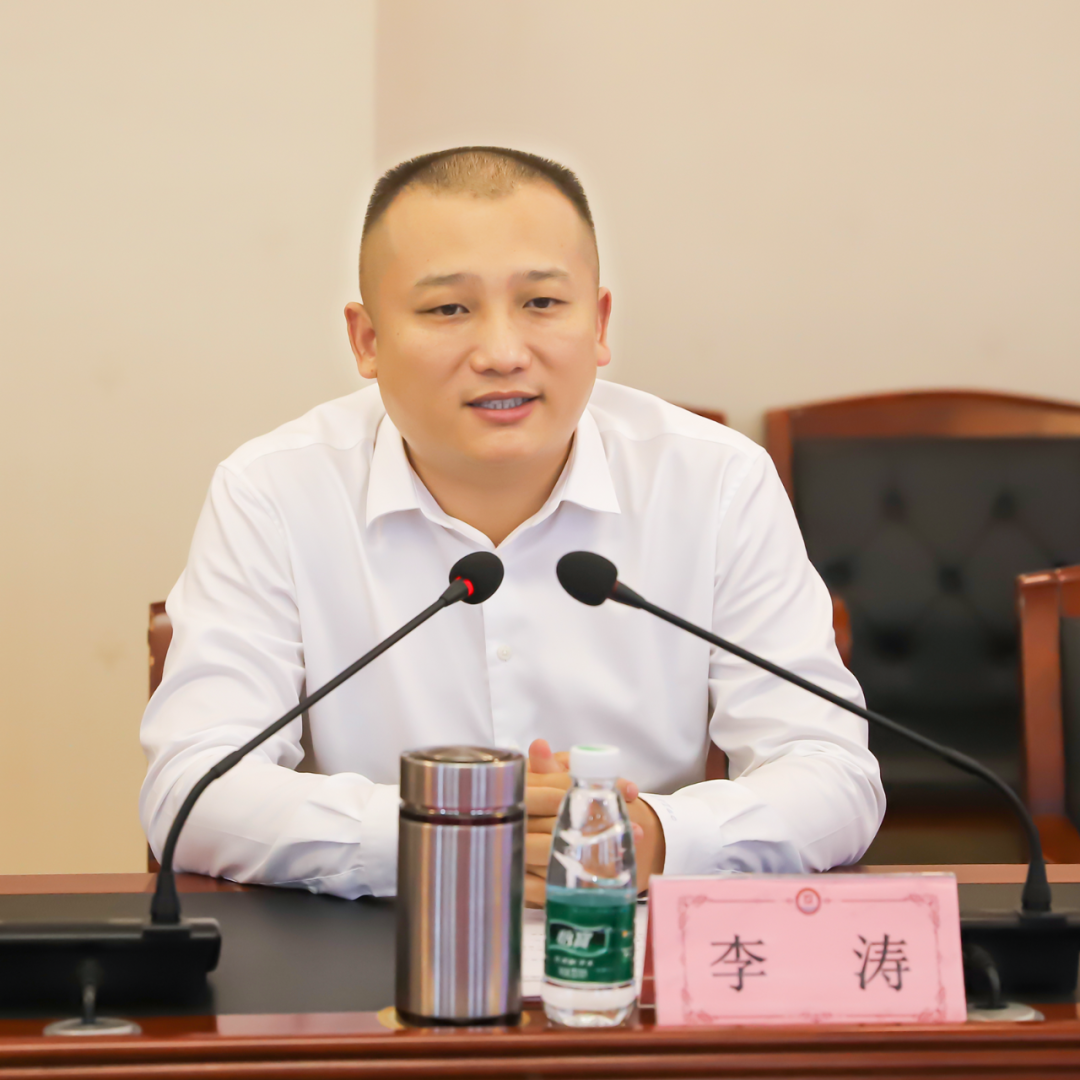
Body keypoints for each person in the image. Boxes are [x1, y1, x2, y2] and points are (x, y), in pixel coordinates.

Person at [140, 147, 884, 905]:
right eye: (448, 310)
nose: (501, 354)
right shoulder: (274, 491)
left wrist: (657, 838)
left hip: (631, 941)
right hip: (375, 945)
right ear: (367, 340)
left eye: (542, 303)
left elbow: (832, 774)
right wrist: (440, 836)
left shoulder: (717, 481)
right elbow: (191, 789)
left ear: (599, 323)